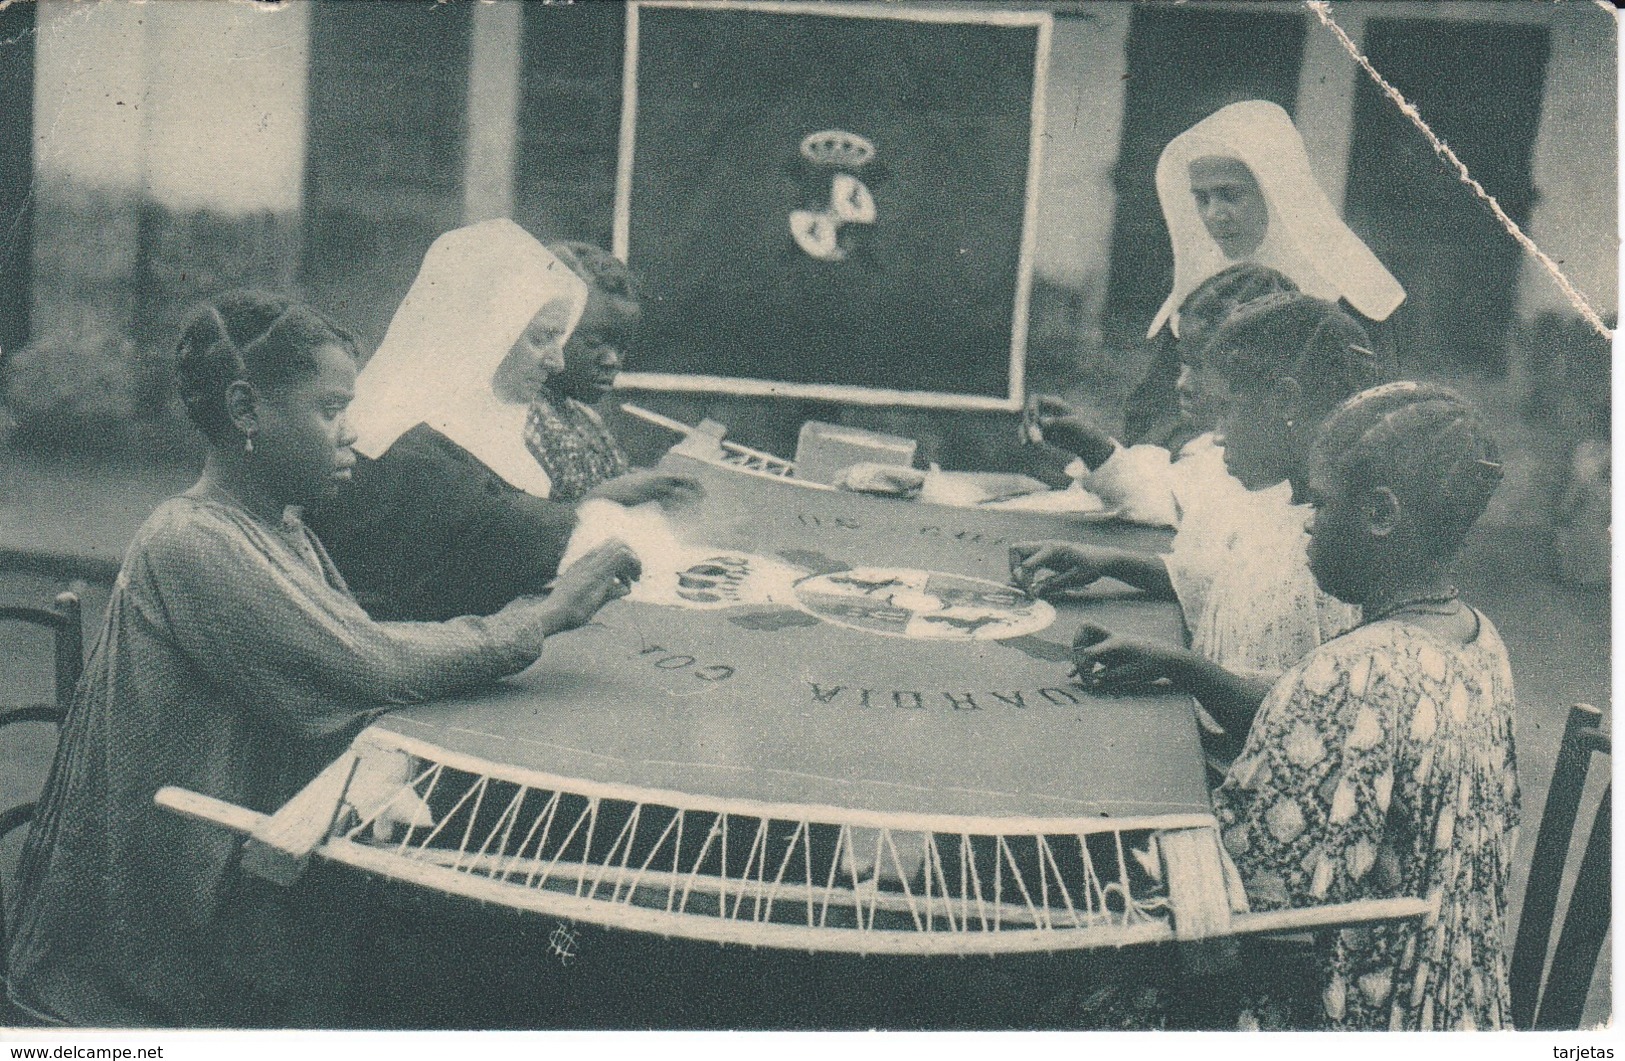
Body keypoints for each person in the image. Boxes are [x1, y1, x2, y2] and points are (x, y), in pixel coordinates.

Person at [5, 291, 641, 1027]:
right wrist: (543, 615)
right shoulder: (190, 542)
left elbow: (353, 645)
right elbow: (368, 662)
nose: (355, 433)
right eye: (331, 409)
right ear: (246, 411)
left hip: (226, 853)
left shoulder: (279, 526)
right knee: (466, 966)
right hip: (165, 928)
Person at [1213, 382, 1518, 1030]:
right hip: (1454, 1010)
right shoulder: (1479, 639)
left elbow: (1253, 907)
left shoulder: (1342, 675)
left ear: (1379, 512)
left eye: (1320, 500)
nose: (1306, 519)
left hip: (1361, 1021)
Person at [1012, 294, 1384, 747]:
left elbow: (1304, 720)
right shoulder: (1278, 504)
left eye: (1228, 409)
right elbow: (1222, 582)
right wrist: (1107, 562)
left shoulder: (1329, 551)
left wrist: (1183, 668)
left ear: (1285, 401)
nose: (1218, 435)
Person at [308, 220, 695, 622]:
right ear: (487, 331)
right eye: (541, 338)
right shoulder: (410, 451)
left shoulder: (469, 433)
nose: (556, 361)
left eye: (559, 341)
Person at [1123, 100, 1406, 448]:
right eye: (1202, 198)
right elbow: (1150, 412)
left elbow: (1366, 425)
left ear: (1275, 191)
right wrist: (1190, 451)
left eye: (1230, 195)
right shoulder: (1207, 288)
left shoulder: (1350, 293)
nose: (1214, 215)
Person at [1026, 263, 1298, 526]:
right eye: (1184, 363)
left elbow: (1166, 504)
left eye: (1202, 368)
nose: (1182, 383)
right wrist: (1089, 445)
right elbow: (1170, 484)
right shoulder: (1206, 447)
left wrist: (1095, 449)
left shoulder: (1265, 462)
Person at [522, 241, 646, 505]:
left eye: (622, 347)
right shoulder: (521, 417)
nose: (612, 360)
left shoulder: (586, 418)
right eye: (593, 342)